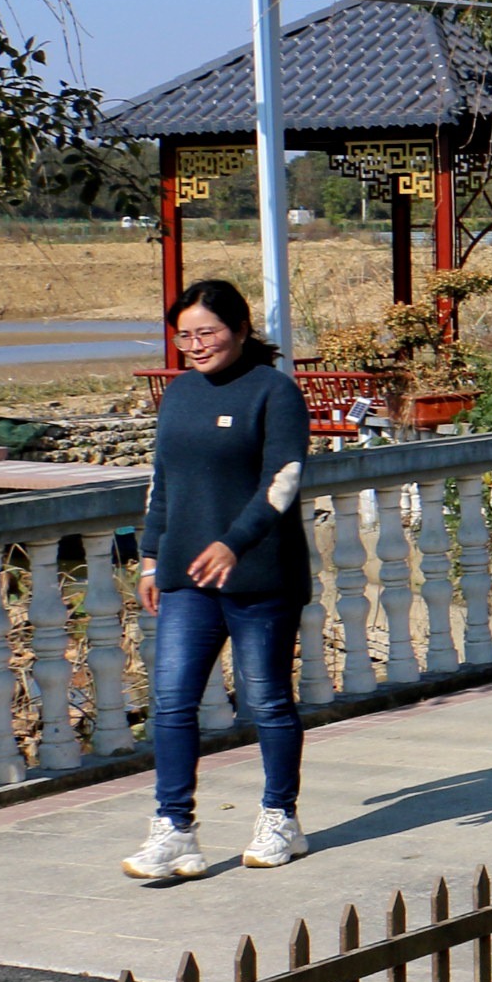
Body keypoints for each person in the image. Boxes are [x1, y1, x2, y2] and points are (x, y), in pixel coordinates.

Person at [125, 280, 312, 883]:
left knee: (267, 702)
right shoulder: (178, 395)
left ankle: (280, 817)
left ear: (239, 327)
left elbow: (281, 482)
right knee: (174, 702)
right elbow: (163, 483)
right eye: (185, 335)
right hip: (185, 577)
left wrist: (234, 543)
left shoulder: (274, 392)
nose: (196, 345)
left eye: (207, 332)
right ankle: (174, 830)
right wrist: (152, 558)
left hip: (260, 575)